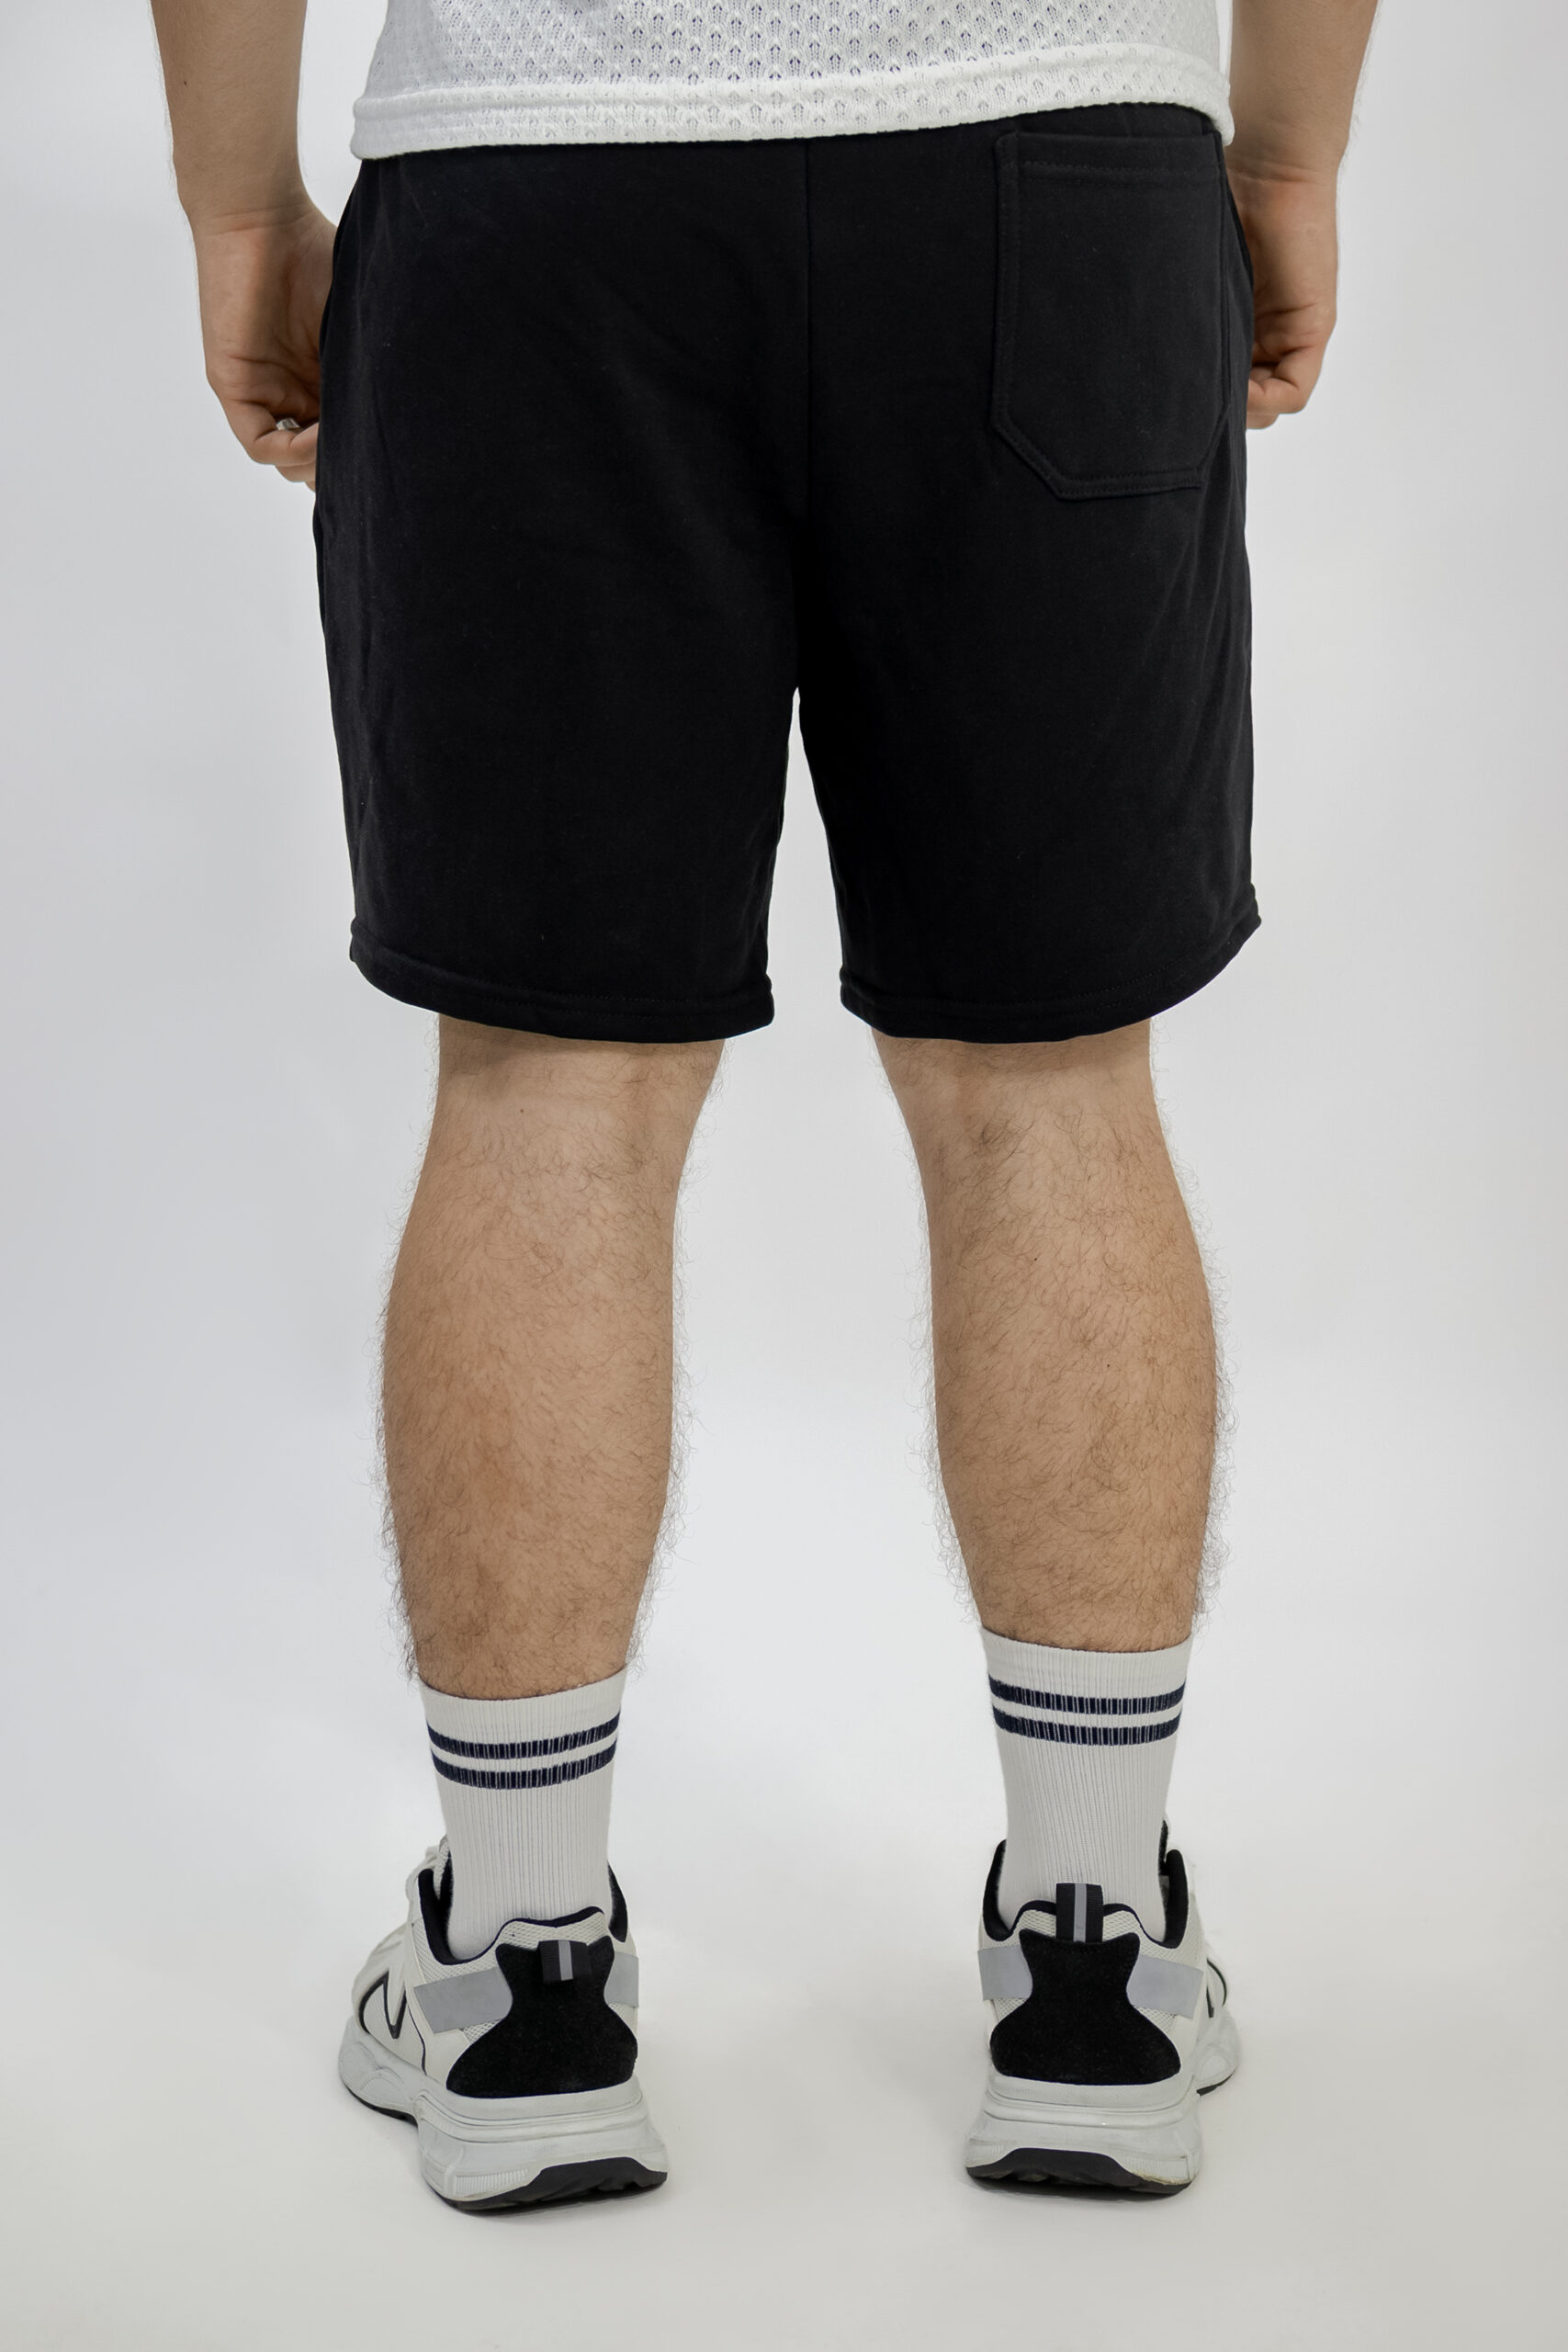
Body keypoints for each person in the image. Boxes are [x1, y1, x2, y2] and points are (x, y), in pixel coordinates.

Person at [151, 0, 1378, 2210]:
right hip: (1052, 158)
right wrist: (1284, 157)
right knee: (1046, 1087)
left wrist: (239, 203)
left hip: (542, 174)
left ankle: (521, 1982)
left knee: (546, 1090)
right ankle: (1091, 1964)